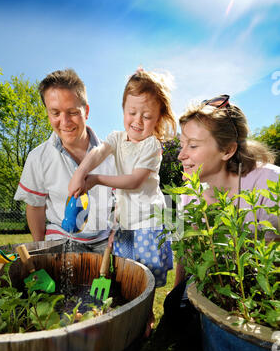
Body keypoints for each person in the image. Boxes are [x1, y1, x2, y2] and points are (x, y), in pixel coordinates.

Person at [68, 69, 177, 333]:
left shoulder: (152, 146)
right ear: (123, 108)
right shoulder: (117, 138)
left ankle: (147, 315)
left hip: (149, 223)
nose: (137, 120)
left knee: (146, 275)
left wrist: (95, 179)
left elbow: (134, 181)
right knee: (125, 273)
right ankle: (123, 310)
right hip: (125, 222)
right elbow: (97, 152)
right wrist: (81, 172)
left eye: (147, 115)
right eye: (132, 112)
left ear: (159, 119)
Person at [164, 94, 280, 324]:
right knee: (174, 310)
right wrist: (176, 292)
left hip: (262, 286)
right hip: (216, 284)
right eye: (182, 144)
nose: (180, 155)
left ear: (227, 150)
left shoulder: (269, 182)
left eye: (193, 145)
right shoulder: (190, 192)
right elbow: (187, 250)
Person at [14, 68, 115, 253]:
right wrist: (40, 249)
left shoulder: (111, 155)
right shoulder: (38, 158)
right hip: (60, 237)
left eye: (72, 112)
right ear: (47, 113)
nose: (65, 121)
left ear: (86, 111)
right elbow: (36, 207)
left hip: (104, 238)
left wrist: (117, 230)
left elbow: (121, 201)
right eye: (55, 113)